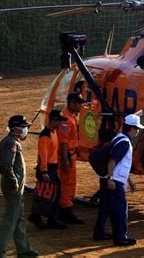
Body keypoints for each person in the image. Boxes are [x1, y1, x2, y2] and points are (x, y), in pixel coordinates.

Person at [93, 114, 142, 246]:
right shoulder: (125, 143)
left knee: (105, 206)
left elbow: (118, 163)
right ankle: (120, 237)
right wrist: (111, 179)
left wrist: (129, 179)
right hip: (114, 181)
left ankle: (99, 232)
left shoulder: (119, 138)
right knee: (121, 208)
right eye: (136, 128)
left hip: (109, 179)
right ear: (131, 128)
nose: (137, 131)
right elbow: (113, 161)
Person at [0, 115, 39, 257]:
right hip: (13, 187)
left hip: (13, 186)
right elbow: (6, 165)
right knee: (10, 219)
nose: (26, 129)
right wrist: (13, 181)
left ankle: (23, 249)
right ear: (17, 128)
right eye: (24, 127)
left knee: (18, 218)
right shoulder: (11, 143)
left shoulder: (8, 141)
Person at [28, 110, 68, 230]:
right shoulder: (46, 135)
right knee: (45, 195)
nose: (61, 123)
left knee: (51, 194)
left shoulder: (53, 132)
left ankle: (47, 218)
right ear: (54, 120)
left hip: (51, 168)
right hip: (47, 169)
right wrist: (44, 171)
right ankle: (41, 217)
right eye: (60, 121)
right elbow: (43, 155)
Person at [57, 92, 86, 224]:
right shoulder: (66, 120)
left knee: (70, 183)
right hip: (67, 155)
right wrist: (65, 159)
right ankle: (65, 210)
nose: (82, 105)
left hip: (71, 154)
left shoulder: (71, 117)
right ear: (72, 103)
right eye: (80, 103)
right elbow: (63, 142)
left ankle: (65, 208)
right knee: (66, 183)